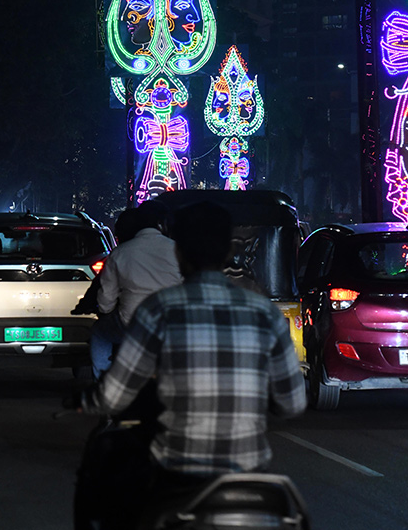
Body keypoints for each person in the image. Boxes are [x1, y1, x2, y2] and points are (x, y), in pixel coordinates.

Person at [84, 201, 306, 523]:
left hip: (176, 478)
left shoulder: (156, 311)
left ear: (180, 253)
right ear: (228, 252)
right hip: (251, 478)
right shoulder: (265, 315)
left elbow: (114, 396)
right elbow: (292, 403)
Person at [90, 199, 182, 379]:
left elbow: (106, 300)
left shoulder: (120, 253)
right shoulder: (179, 250)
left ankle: (102, 383)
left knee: (99, 333)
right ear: (162, 224)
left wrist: (105, 311)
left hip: (131, 325)